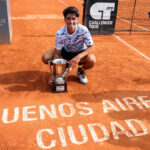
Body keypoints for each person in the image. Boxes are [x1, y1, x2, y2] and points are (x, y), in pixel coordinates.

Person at [42, 6, 96, 84]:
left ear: (77, 19)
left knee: (92, 59)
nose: (71, 22)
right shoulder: (60, 33)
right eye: (68, 18)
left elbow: (92, 47)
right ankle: (64, 66)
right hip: (65, 52)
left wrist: (78, 57)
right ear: (65, 19)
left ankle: (81, 71)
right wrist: (55, 73)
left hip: (79, 53)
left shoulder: (83, 30)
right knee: (45, 57)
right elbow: (57, 53)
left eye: (73, 18)